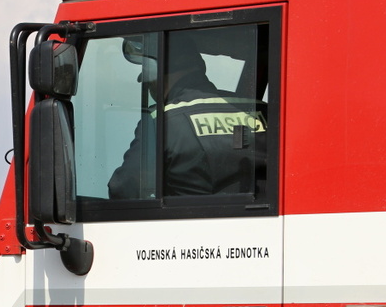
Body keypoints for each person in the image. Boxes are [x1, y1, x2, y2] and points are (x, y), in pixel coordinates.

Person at [108, 33, 267, 199]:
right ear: (200, 66)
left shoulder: (162, 121)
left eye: (147, 79)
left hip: (193, 222)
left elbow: (124, 187)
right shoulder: (263, 110)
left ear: (157, 74)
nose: (149, 87)